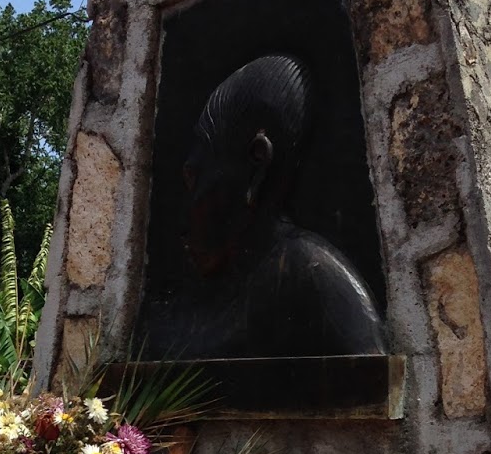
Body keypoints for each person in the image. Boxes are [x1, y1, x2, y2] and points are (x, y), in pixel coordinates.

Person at [142, 54, 385, 359]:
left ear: (257, 162)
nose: (182, 220)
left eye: (196, 180)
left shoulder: (315, 281)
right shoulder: (183, 306)